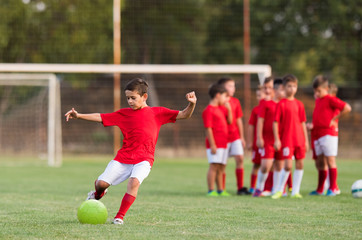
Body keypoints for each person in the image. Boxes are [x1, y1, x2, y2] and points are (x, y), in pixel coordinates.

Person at [65, 78, 197, 225]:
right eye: (127, 98)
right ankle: (97, 194)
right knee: (101, 183)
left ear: (144, 96)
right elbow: (100, 117)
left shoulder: (157, 112)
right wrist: (79, 115)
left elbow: (185, 114)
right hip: (123, 158)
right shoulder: (124, 114)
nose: (130, 101)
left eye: (133, 98)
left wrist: (192, 104)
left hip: (144, 159)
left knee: (134, 182)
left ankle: (119, 217)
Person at [309, 76, 351, 196]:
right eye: (315, 91)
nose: (316, 94)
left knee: (330, 160)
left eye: (319, 91)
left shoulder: (330, 99)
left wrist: (334, 119)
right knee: (321, 163)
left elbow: (347, 108)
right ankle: (320, 189)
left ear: (326, 88)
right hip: (317, 134)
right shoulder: (318, 100)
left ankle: (333, 188)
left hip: (329, 134)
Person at [272, 74, 309, 199]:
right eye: (289, 86)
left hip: (299, 139)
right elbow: (275, 122)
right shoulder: (281, 104)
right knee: (287, 165)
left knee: (300, 164)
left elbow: (303, 123)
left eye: (294, 86)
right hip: (287, 140)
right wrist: (277, 139)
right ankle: (280, 190)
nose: (291, 89)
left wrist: (306, 140)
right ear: (284, 87)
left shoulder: (299, 104)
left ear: (297, 87)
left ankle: (295, 192)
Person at [217, 77, 250, 195]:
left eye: (234, 86)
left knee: (240, 158)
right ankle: (222, 188)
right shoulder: (218, 102)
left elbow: (239, 120)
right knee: (222, 163)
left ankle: (240, 188)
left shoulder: (235, 102)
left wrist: (242, 137)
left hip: (235, 136)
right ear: (222, 88)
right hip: (223, 138)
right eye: (230, 86)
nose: (233, 88)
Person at [253, 77, 284, 197]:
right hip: (267, 139)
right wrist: (259, 137)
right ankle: (259, 188)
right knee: (266, 165)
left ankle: (276, 190)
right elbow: (260, 121)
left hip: (280, 139)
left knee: (279, 165)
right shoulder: (265, 103)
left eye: (270, 87)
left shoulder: (283, 104)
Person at [202, 83, 232, 197]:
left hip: (224, 143)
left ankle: (220, 189)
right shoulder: (209, 110)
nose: (225, 100)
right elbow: (208, 129)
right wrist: (213, 144)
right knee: (214, 166)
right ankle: (211, 190)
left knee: (221, 167)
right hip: (215, 144)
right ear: (218, 95)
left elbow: (229, 121)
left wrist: (229, 110)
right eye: (224, 96)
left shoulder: (221, 109)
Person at [247, 85, 265, 194]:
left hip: (269, 142)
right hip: (258, 143)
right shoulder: (256, 110)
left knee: (270, 165)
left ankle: (267, 187)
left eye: (261, 95)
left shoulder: (272, 107)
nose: (260, 97)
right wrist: (249, 141)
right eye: (258, 95)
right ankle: (252, 187)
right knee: (257, 164)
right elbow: (251, 126)